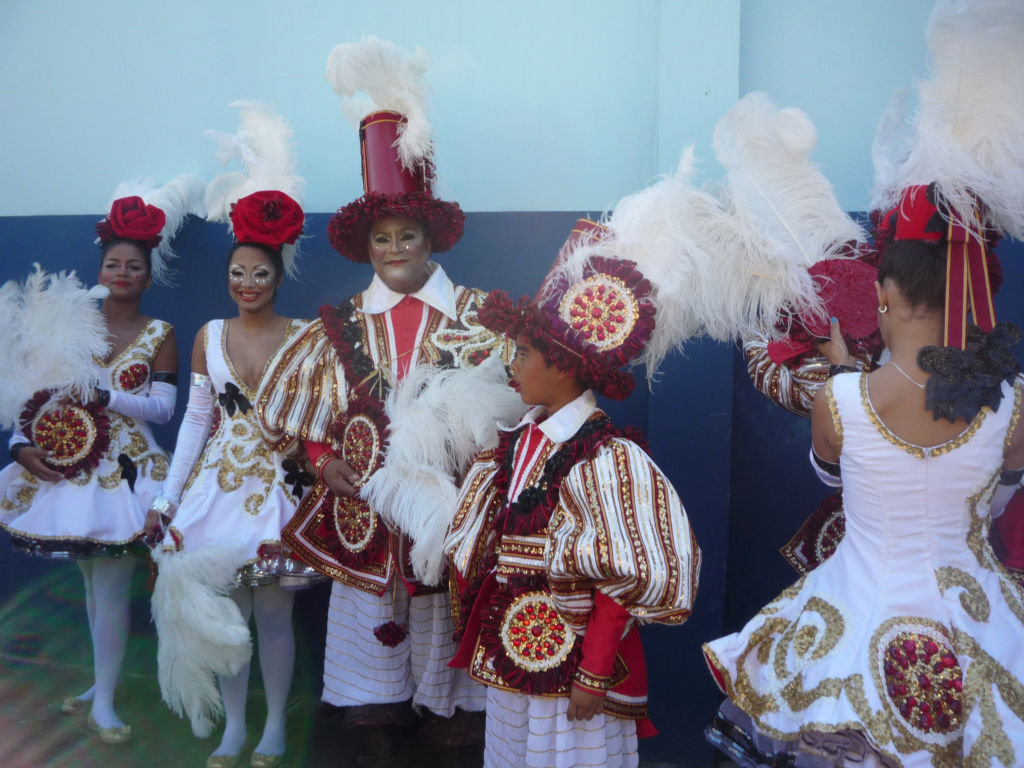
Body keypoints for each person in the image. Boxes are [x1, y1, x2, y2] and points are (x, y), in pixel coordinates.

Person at [703, 187, 1024, 767]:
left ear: (881, 294)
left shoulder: (838, 401)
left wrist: (848, 370)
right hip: (979, 620)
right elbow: (999, 500)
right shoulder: (1012, 404)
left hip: (853, 620)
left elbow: (836, 481)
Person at [257, 38, 509, 767]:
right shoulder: (335, 327)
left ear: (430, 237)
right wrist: (324, 461)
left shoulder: (480, 312)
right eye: (382, 237)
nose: (394, 247)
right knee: (373, 709)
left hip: (450, 520)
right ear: (366, 245)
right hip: (363, 522)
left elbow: (508, 410)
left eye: (407, 234)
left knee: (451, 700)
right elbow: (308, 419)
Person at [445, 218, 702, 768]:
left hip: (573, 656)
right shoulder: (517, 443)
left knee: (569, 753)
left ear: (561, 366)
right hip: (516, 641)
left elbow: (622, 568)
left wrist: (595, 668)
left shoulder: (607, 455)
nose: (511, 367)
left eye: (521, 355)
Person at [0, 184, 198, 743]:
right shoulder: (68, 323)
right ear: (101, 269)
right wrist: (20, 447)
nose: (122, 272)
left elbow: (162, 409)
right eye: (113, 263)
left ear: (148, 277)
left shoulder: (161, 333)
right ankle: (99, 685)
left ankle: (105, 700)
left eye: (134, 265)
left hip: (128, 476)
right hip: (69, 472)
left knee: (110, 585)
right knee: (92, 584)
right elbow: (33, 399)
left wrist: (104, 397)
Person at [147, 102, 311, 768]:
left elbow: (319, 416)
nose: (247, 284)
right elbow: (193, 420)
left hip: (279, 494)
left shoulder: (306, 338)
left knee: (275, 616)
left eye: (260, 274)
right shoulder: (207, 336)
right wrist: (166, 497)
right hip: (216, 491)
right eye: (237, 274)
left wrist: (305, 441)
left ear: (278, 275)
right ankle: (235, 726)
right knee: (227, 619)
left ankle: (274, 726)